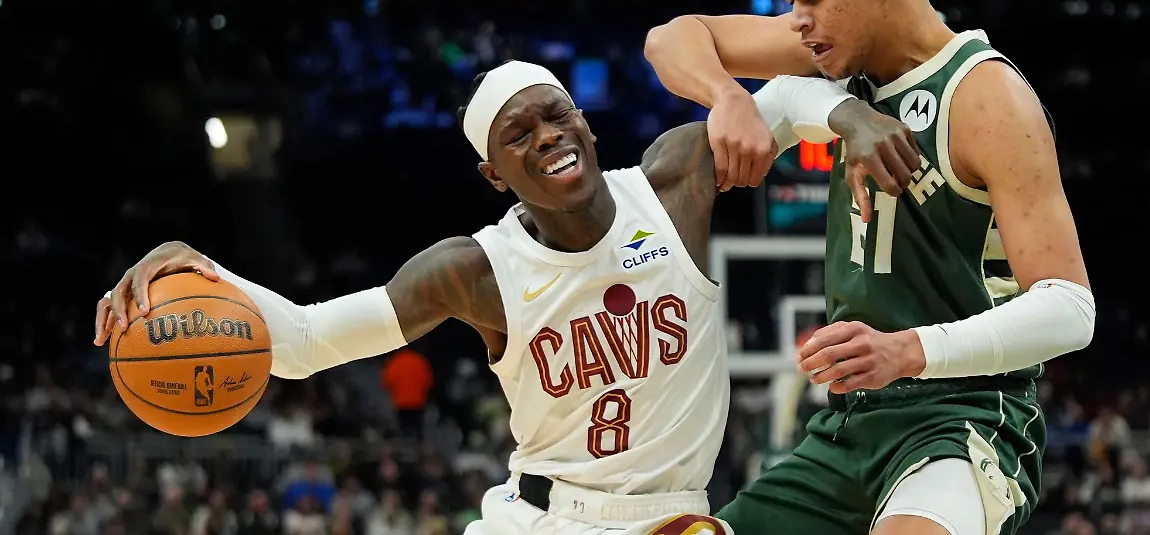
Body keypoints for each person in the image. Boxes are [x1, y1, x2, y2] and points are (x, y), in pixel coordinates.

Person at [93, 59, 916, 535]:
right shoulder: (472, 268)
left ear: (585, 123)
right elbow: (307, 341)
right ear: (495, 174)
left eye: (555, 117)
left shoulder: (672, 182)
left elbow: (777, 100)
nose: (545, 136)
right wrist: (203, 265)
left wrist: (848, 115)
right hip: (543, 519)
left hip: (673, 515)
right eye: (516, 136)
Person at [644, 0, 1096, 535]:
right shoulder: (833, 59)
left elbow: (1070, 307)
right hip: (848, 426)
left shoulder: (986, 95)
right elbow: (670, 39)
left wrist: (908, 350)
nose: (798, 20)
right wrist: (728, 95)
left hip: (960, 419)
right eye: (791, 2)